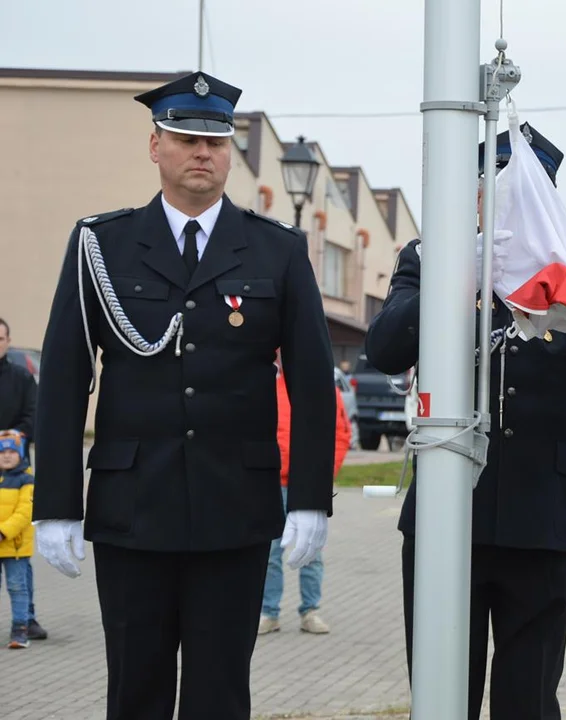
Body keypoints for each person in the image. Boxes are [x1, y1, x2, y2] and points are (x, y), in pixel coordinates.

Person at [32, 72, 337, 720]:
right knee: (135, 691)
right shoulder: (103, 245)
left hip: (236, 509)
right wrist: (55, 505)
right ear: (155, 146)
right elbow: (63, 376)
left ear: (230, 152)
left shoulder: (275, 249)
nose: (203, 153)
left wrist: (311, 499)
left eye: (217, 142)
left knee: (220, 694)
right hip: (132, 509)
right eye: (185, 138)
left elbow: (311, 384)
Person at [365, 122, 566, 720]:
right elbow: (384, 347)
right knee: (442, 696)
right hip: (445, 515)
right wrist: (460, 269)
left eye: (526, 193)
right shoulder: (429, 259)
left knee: (528, 701)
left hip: (540, 518)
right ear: (472, 193)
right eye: (495, 188)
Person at [259, 353, 352, 635]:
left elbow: (340, 433)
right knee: (270, 552)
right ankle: (269, 612)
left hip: (308, 483)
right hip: (272, 484)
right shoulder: (266, 388)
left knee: (311, 550)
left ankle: (311, 611)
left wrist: (324, 474)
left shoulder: (324, 389)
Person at [0, 318, 47, 641]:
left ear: (8, 341)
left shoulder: (21, 377)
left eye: (0, 338)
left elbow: (34, 413)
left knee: (17, 553)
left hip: (14, 466)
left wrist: (15, 436)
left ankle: (26, 617)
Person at [0, 430, 34, 649]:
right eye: (3, 452)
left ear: (21, 454)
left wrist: (3, 532)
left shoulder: (26, 480)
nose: (7, 455)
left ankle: (20, 630)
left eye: (13, 451)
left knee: (17, 587)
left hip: (15, 546)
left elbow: (25, 512)